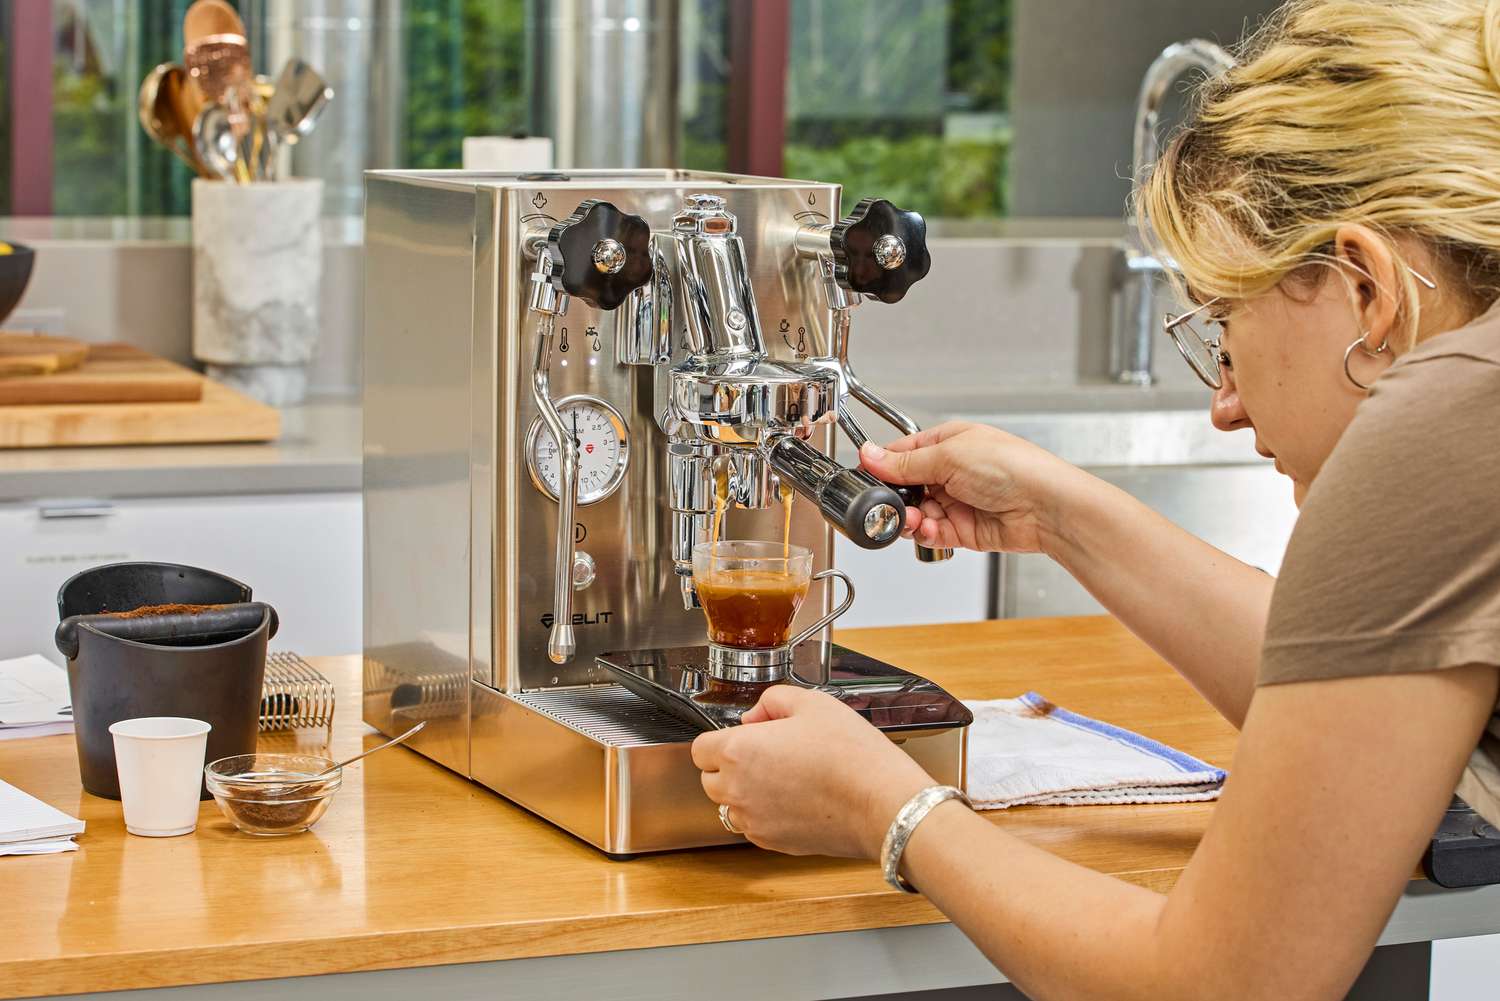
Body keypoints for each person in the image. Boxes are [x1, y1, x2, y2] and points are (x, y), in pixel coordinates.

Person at [690, 1, 1500, 996]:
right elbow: (1350, 711)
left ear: (1366, 289)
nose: (1226, 402)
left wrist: (887, 808)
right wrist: (1062, 514)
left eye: (1225, 323)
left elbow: (1222, 984)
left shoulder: (1444, 417)